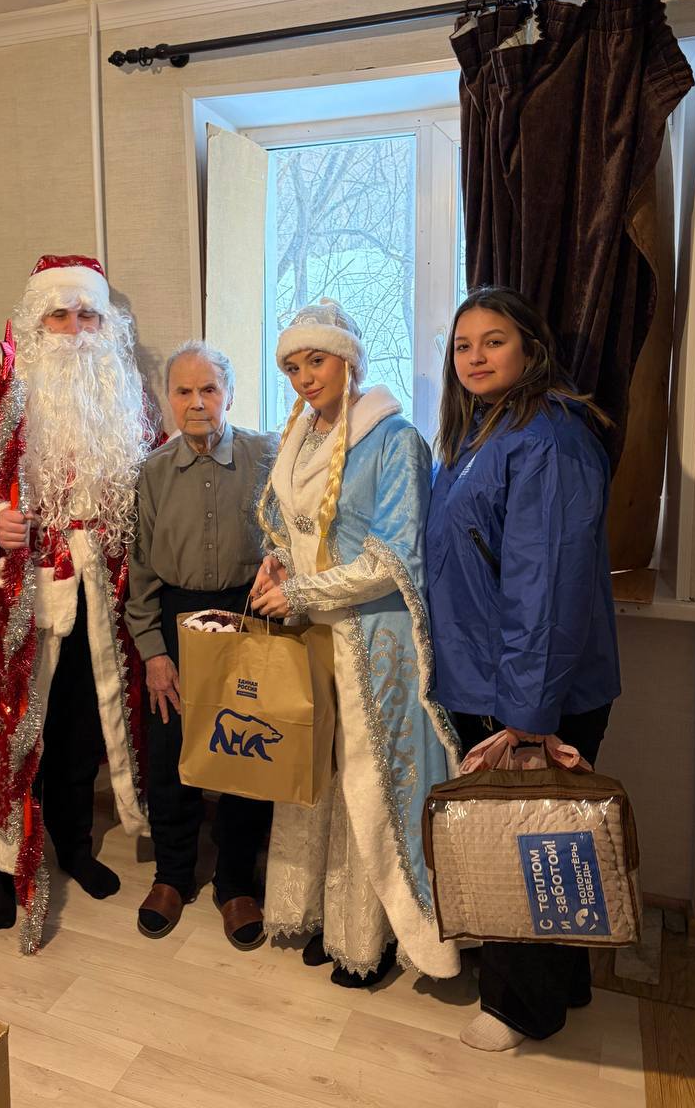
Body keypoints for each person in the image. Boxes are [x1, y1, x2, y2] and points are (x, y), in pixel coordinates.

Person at [0, 255, 155, 953]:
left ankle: (75, 843)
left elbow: (151, 478)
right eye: (60, 315)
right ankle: (0, 867)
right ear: (36, 322)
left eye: (87, 314)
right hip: (18, 596)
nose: (75, 328)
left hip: (102, 593)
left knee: (79, 727)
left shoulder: (126, 389)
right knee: (8, 729)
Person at [425, 284, 620, 1050]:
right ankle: (559, 987)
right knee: (545, 841)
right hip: (491, 678)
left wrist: (526, 717)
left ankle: (516, 1010)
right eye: (463, 345)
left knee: (525, 847)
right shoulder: (486, 432)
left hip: (530, 692)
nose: (474, 357)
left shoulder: (550, 440)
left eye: (493, 341)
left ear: (531, 348)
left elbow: (547, 588)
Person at [251, 299, 460, 986]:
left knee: (372, 785)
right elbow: (291, 527)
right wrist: (276, 565)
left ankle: (372, 938)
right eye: (292, 367)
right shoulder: (302, 435)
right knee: (315, 773)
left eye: (316, 361)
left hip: (374, 636)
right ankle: (317, 913)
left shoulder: (395, 438)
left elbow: (395, 560)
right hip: (314, 633)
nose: (304, 377)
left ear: (348, 360)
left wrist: (303, 593)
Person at [126, 342, 277, 947]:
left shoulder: (267, 456)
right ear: (169, 398)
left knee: (247, 752)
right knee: (171, 752)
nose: (196, 402)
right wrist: (153, 651)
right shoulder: (153, 472)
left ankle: (236, 881)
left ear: (229, 394)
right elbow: (140, 571)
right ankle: (173, 874)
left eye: (208, 389)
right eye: (183, 391)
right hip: (176, 617)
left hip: (249, 613)